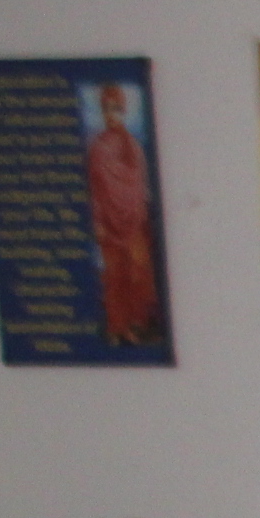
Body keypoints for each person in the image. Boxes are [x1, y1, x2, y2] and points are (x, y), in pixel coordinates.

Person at [83, 83, 160, 345]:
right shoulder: (97, 148)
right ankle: (117, 326)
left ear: (123, 111)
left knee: (137, 272)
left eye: (116, 108)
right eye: (106, 109)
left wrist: (142, 216)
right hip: (109, 224)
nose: (111, 114)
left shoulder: (133, 147)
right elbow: (94, 189)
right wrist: (97, 221)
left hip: (134, 222)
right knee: (114, 276)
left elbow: (141, 186)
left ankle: (135, 324)